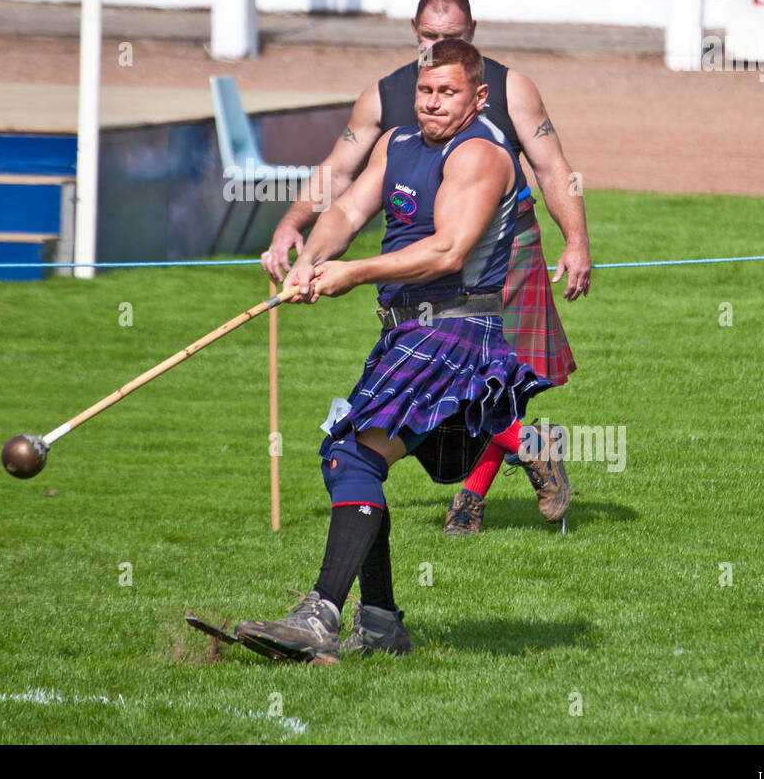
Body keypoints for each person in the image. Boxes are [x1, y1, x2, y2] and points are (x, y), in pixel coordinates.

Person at [232, 38, 551, 663]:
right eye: (426, 91)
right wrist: (312, 260)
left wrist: (351, 274)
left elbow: (447, 251)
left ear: (478, 95)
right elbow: (349, 209)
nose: (432, 104)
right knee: (347, 457)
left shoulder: (482, 155)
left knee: (353, 453)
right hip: (407, 331)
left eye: (448, 92)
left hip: (455, 330)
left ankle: (323, 616)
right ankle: (378, 624)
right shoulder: (397, 143)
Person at [263, 0, 589, 533]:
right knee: (466, 378)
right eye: (431, 39)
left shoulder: (511, 89)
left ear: (472, 35)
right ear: (415, 34)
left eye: (453, 38)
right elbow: (341, 178)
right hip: (414, 272)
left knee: (480, 369)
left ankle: (472, 496)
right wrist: (296, 231)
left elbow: (552, 167)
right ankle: (525, 444)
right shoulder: (386, 98)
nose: (440, 49)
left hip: (502, 251)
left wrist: (575, 240)